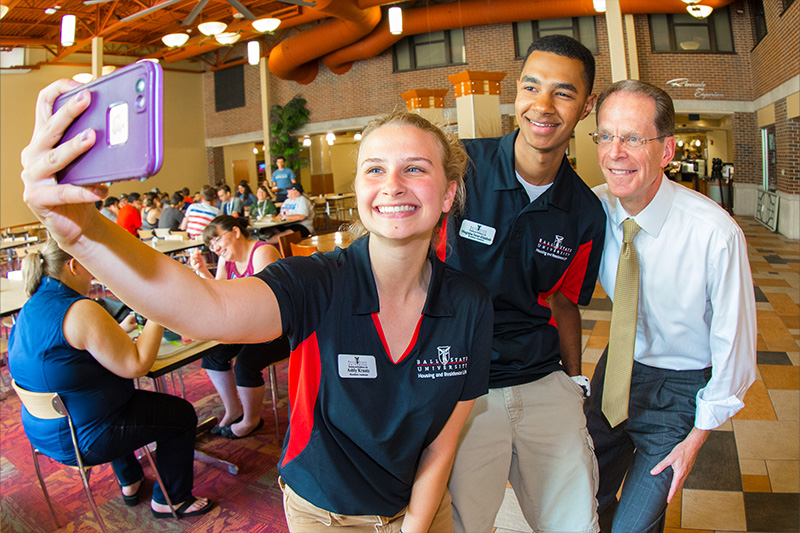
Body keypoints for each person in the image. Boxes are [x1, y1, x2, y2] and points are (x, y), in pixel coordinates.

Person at [21, 85, 493, 531]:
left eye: (415, 168)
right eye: (374, 169)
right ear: (359, 189)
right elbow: (203, 309)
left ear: (448, 193)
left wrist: (414, 523)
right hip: (324, 514)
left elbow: (443, 442)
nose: (391, 185)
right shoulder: (317, 282)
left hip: (423, 507)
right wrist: (83, 232)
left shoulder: (469, 303)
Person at [440, 35, 605, 533]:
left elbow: (564, 301)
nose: (543, 105)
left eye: (563, 92)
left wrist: (575, 382)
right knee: (460, 523)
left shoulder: (583, 212)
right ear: (517, 92)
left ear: (586, 106)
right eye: (531, 87)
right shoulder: (460, 169)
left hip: (539, 375)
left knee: (577, 522)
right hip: (459, 381)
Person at [584, 80, 757, 533]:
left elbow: (735, 345)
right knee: (580, 501)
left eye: (633, 138)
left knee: (634, 525)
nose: (615, 152)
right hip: (616, 374)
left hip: (679, 390)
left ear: (666, 150)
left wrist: (697, 436)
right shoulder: (594, 208)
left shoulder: (714, 234)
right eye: (605, 135)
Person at [7, 240, 214, 519]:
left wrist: (114, 330)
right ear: (74, 265)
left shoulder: (30, 307)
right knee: (181, 415)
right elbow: (138, 365)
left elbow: (67, 352)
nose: (93, 275)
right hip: (84, 437)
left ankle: (129, 479)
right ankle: (171, 500)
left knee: (107, 404)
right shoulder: (80, 309)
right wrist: (158, 311)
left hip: (44, 428)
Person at [189, 215, 288, 439]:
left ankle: (250, 421)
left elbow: (265, 302)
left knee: (245, 363)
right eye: (211, 245)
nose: (215, 248)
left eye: (217, 240)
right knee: (213, 355)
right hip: (247, 327)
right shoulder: (228, 259)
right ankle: (234, 410)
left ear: (235, 231)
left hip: (280, 326)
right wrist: (203, 272)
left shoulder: (263, 252)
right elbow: (219, 294)